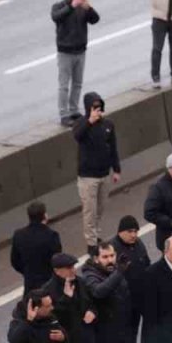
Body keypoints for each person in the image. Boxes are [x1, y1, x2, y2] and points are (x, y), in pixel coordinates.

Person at [73, 92, 122, 258]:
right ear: (88, 108)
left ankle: (95, 234)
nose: (97, 110)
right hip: (88, 177)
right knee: (90, 210)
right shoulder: (81, 123)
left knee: (100, 208)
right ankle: (91, 243)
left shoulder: (108, 124)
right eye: (94, 107)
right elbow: (77, 136)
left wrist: (116, 169)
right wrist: (89, 121)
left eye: (99, 107)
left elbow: (113, 147)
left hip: (104, 174)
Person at [51, 0, 101, 125]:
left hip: (80, 51)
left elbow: (95, 19)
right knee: (64, 85)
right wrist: (71, 6)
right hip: (65, 52)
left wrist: (89, 8)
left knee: (77, 83)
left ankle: (74, 110)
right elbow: (56, 17)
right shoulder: (59, 6)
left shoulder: (82, 7)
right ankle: (63, 114)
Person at [110, 216, 151, 343]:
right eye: (130, 231)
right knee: (119, 340)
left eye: (136, 231)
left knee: (132, 337)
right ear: (120, 232)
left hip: (137, 301)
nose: (134, 235)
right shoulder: (113, 249)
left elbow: (147, 265)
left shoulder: (139, 245)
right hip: (120, 304)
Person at [10, 202, 63, 293]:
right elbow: (57, 260)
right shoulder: (51, 236)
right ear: (45, 216)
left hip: (30, 284)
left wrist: (27, 272)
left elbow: (15, 261)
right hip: (49, 283)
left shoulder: (19, 235)